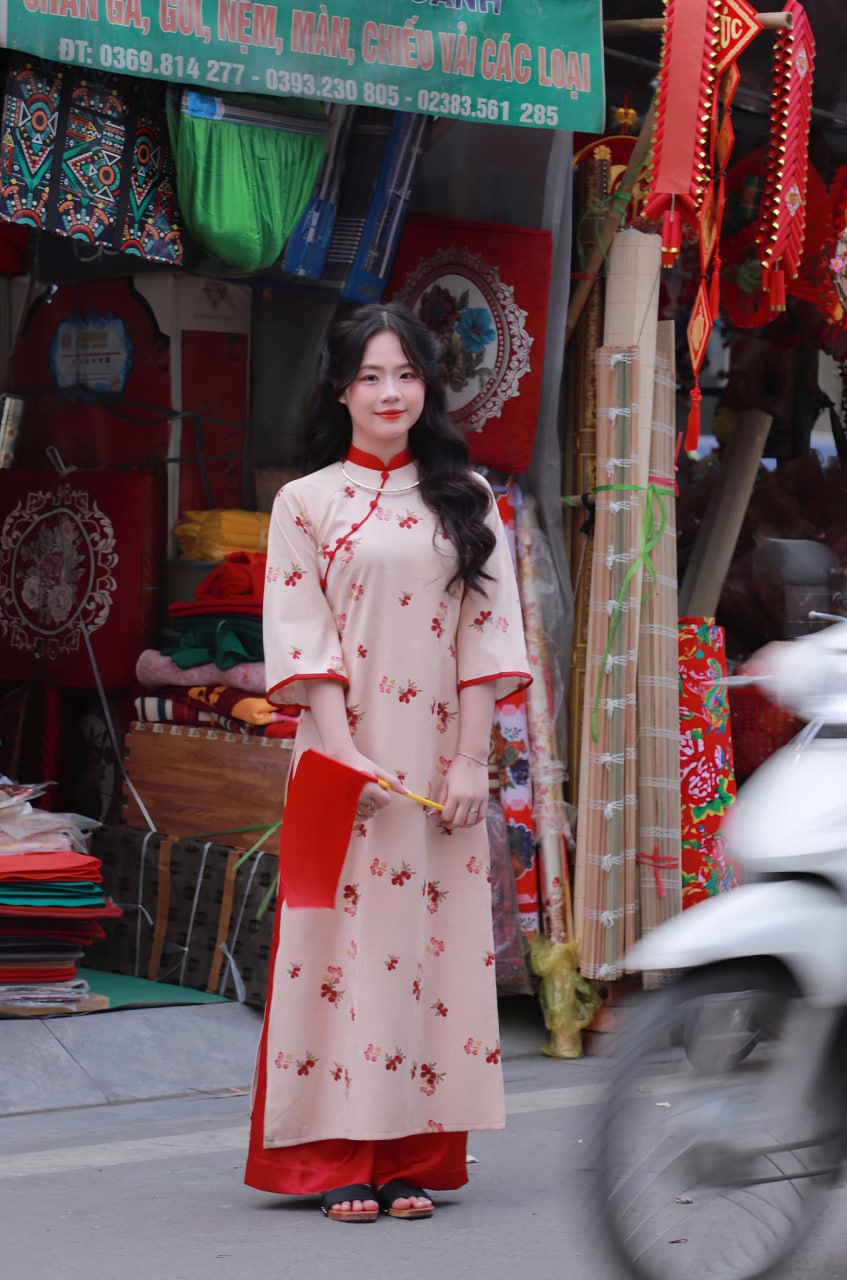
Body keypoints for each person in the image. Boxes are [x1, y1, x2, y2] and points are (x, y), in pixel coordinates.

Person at [246, 301, 531, 1223]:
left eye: (406, 374)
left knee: (430, 954)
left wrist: (470, 761)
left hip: (439, 768)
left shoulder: (467, 498)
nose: (390, 392)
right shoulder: (305, 502)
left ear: (427, 385)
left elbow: (487, 638)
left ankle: (410, 1156)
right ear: (340, 388)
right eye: (370, 376)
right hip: (344, 758)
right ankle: (337, 1155)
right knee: (337, 953)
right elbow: (304, 637)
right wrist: (341, 758)